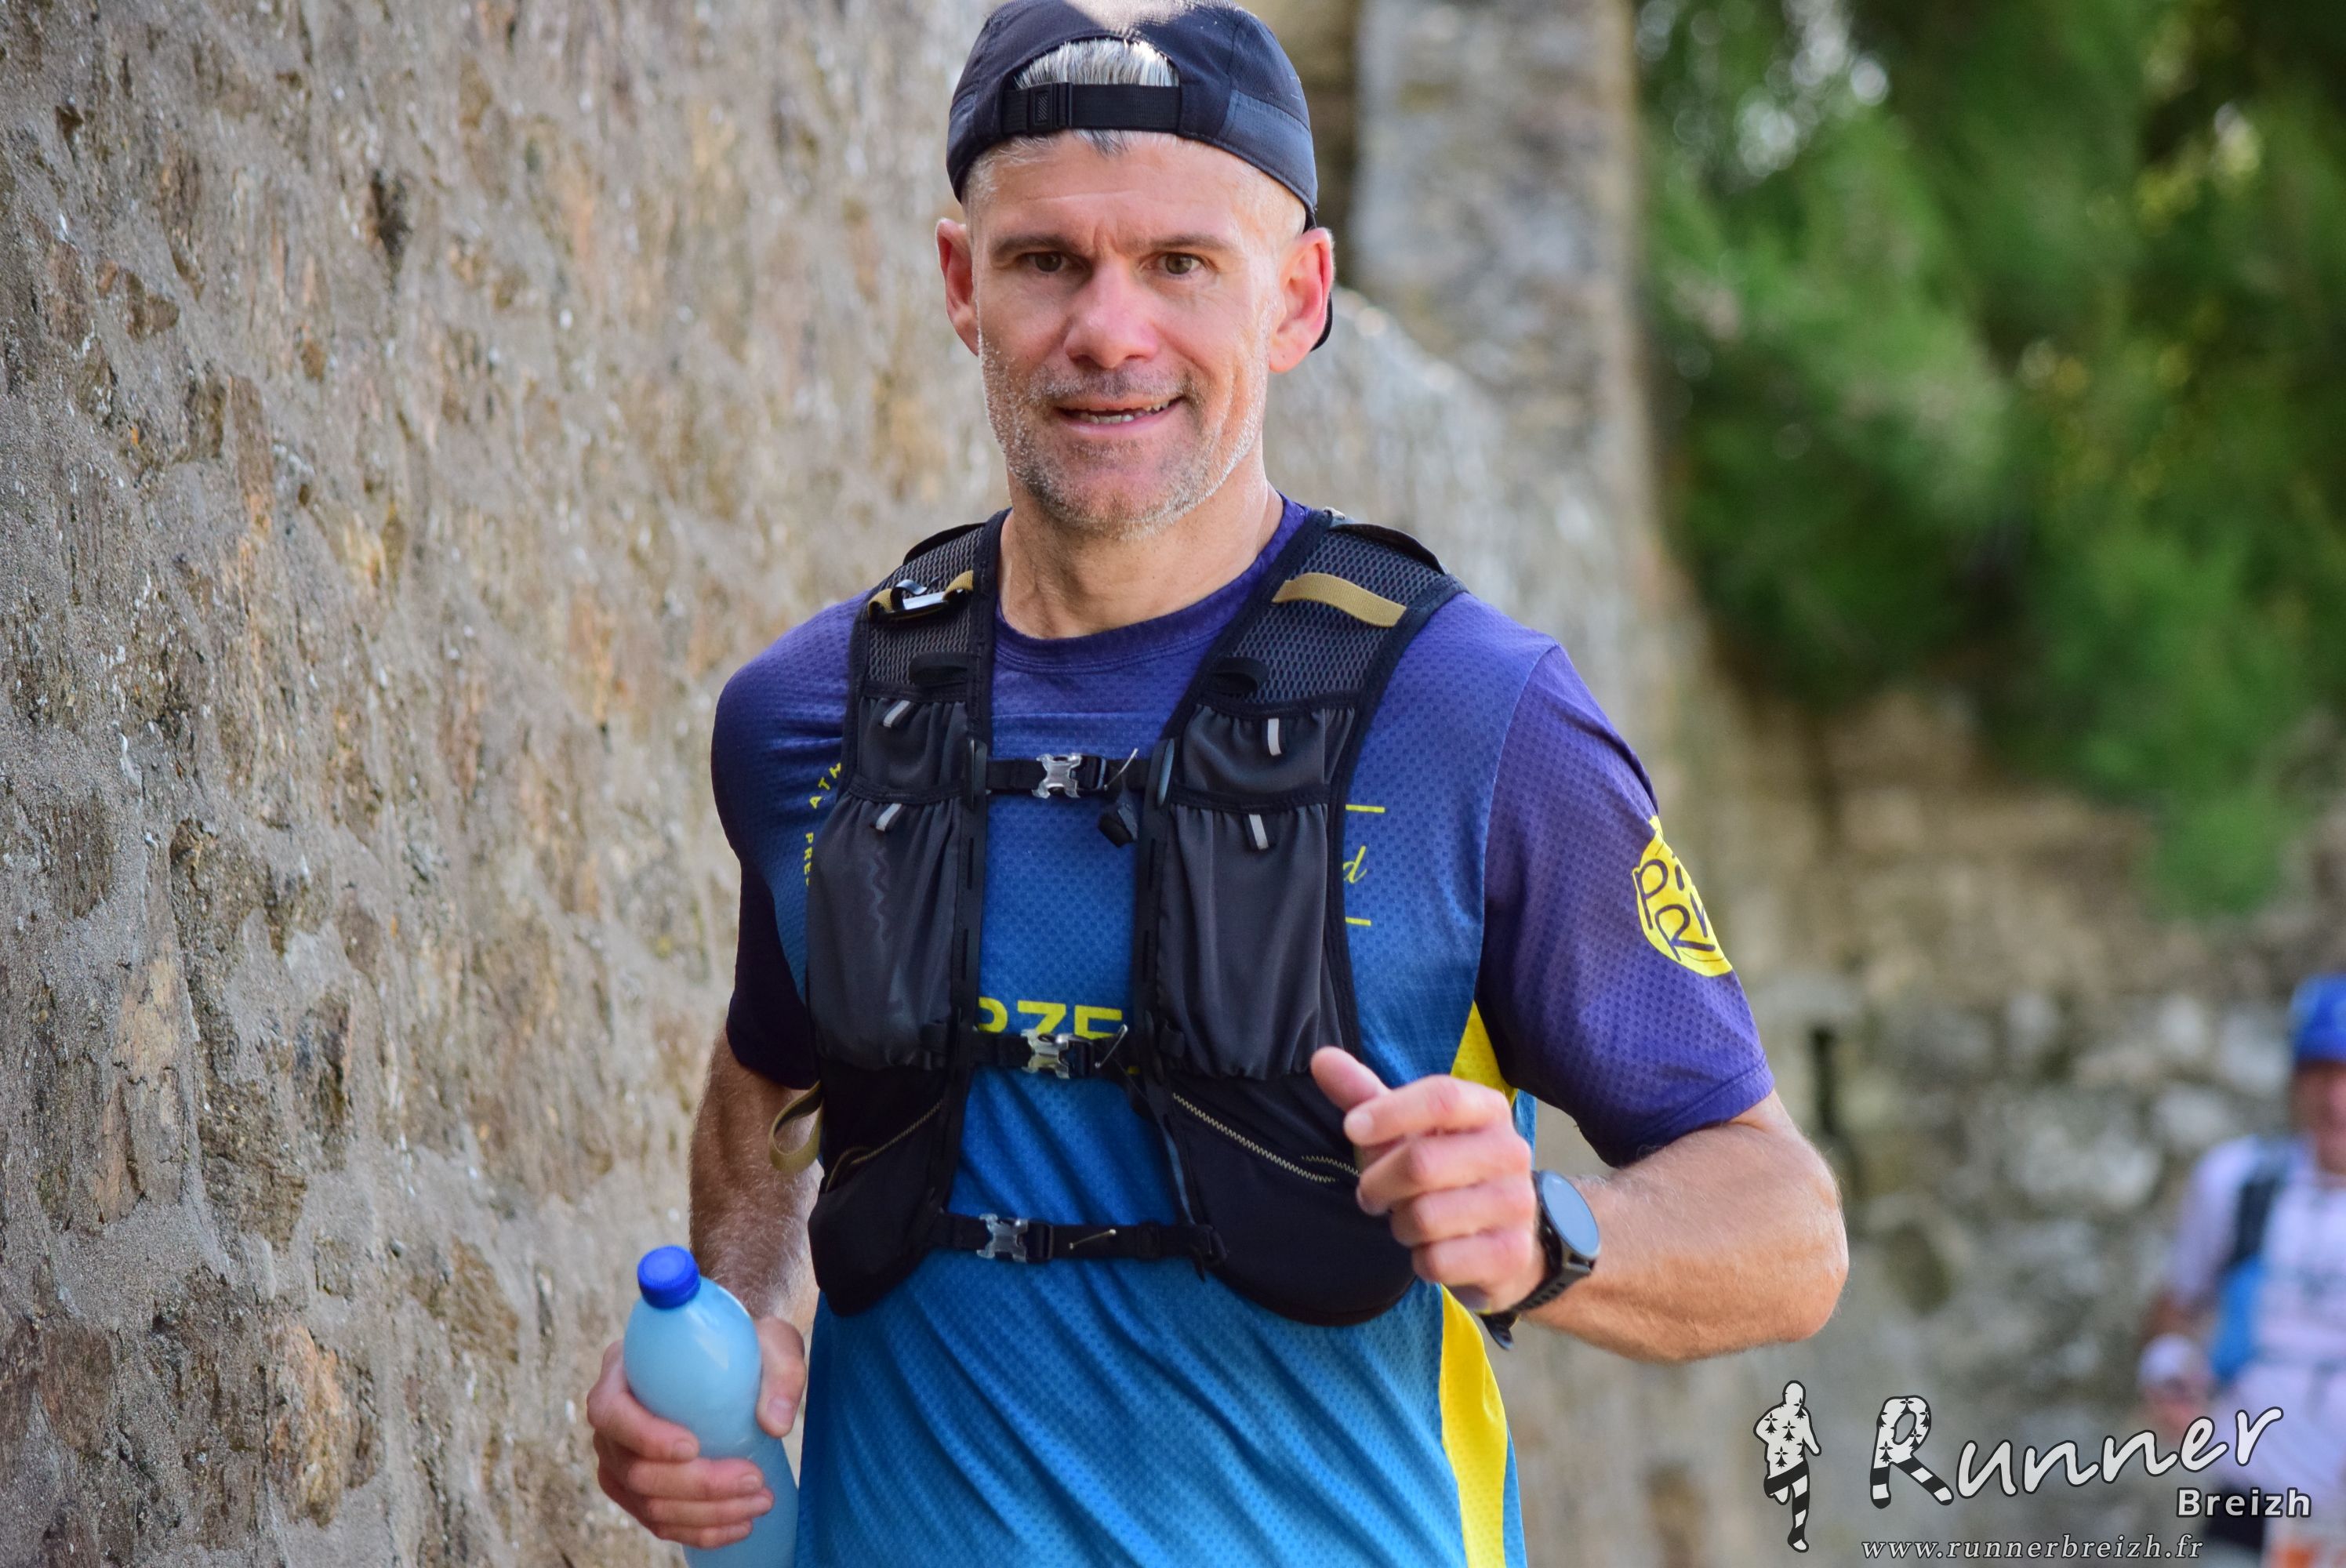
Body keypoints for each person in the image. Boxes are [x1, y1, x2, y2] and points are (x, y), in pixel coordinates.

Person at [583, 3, 1847, 1563]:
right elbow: (767, 1077)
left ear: (1297, 297)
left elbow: (1784, 1228)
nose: (1108, 331)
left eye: (1180, 263)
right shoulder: (804, 718)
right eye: (1046, 261)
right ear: (961, 285)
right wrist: (734, 1320)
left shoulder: (1477, 717)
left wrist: (1549, 1226)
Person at [2140, 975, 2346, 1564]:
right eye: (2321, 1073)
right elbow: (2173, 1309)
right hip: (2248, 1508)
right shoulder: (2238, 1181)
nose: (2337, 1100)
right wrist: (2168, 1370)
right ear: (2294, 1080)